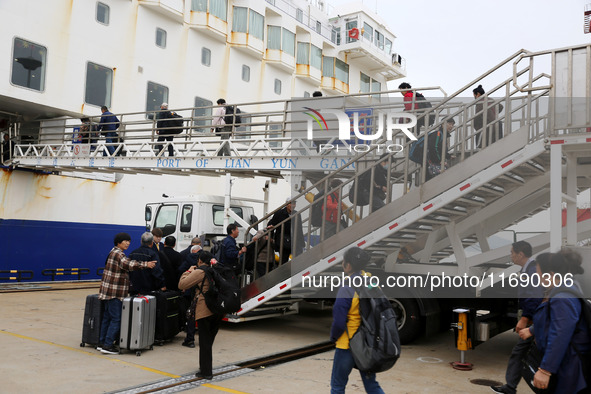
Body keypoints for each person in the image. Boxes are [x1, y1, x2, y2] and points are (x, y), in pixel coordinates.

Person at [518, 249, 590, 393]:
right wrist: (532, 330)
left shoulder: (562, 297)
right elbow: (555, 321)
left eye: (538, 275)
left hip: (568, 367)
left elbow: (561, 334)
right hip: (565, 363)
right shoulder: (566, 287)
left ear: (550, 275)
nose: (537, 279)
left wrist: (545, 370)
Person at [490, 241, 543, 394]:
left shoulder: (532, 270)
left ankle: (510, 387)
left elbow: (534, 296)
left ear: (520, 254)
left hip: (533, 319)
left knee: (521, 352)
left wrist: (525, 318)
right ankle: (510, 386)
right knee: (522, 352)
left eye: (512, 252)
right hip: (534, 318)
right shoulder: (528, 269)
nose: (511, 255)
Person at [330, 247, 385, 394]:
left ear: (347, 265)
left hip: (347, 344)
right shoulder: (373, 283)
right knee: (372, 385)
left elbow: (339, 321)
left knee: (338, 385)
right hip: (367, 343)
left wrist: (334, 337)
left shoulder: (346, 287)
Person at [98, 232, 156, 355]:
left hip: (108, 290)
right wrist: (146, 264)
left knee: (107, 317)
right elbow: (128, 264)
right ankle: (108, 345)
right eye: (125, 241)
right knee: (116, 319)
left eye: (129, 241)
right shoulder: (118, 253)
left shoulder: (112, 252)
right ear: (118, 242)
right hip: (115, 292)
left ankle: (101, 343)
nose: (128, 243)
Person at [178, 251, 225, 380]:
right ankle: (205, 366)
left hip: (205, 310)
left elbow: (182, 284)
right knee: (208, 341)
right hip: (218, 309)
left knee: (204, 342)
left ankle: (206, 372)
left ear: (199, 261)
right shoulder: (216, 270)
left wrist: (188, 271)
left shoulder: (200, 271)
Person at [178, 244, 203, 348]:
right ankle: (203, 340)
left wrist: (187, 273)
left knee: (191, 316)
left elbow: (180, 270)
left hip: (190, 292)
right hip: (203, 294)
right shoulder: (207, 260)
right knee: (203, 317)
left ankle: (190, 339)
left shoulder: (188, 259)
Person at [267, 199, 305, 265]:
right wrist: (270, 237)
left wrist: (302, 242)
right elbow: (271, 225)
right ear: (286, 204)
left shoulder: (297, 214)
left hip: (294, 240)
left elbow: (299, 229)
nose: (293, 205)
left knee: (298, 259)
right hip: (283, 241)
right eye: (291, 203)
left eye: (294, 204)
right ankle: (283, 274)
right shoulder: (279, 213)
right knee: (283, 261)